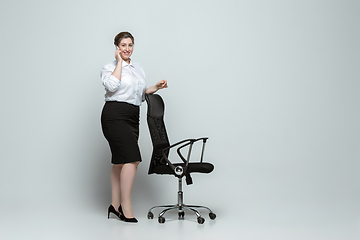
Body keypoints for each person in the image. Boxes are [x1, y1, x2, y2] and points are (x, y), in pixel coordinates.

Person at [101, 32, 167, 223]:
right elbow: (112, 86)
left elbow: (138, 94)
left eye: (130, 45)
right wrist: (119, 62)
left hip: (133, 116)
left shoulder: (138, 68)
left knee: (120, 162)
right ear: (116, 47)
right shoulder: (108, 68)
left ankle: (113, 206)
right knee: (132, 159)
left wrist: (155, 87)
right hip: (114, 115)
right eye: (123, 45)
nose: (127, 49)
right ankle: (125, 207)